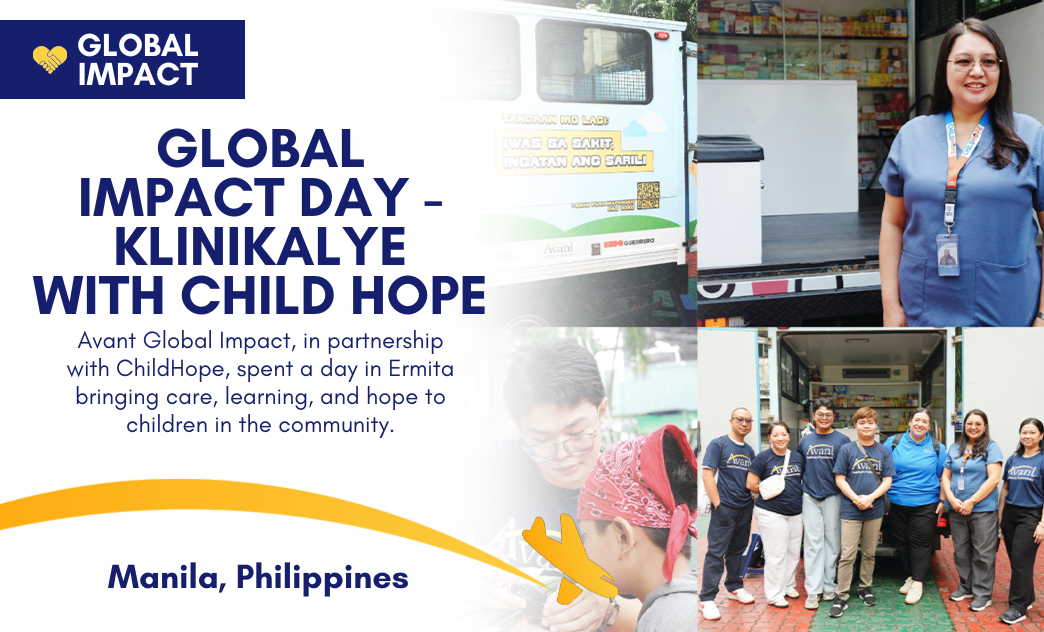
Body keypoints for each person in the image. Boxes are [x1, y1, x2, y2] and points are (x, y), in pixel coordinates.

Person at [879, 17, 1044, 327]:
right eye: (964, 61)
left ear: (1000, 69)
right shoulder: (912, 135)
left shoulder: (1031, 136)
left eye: (988, 62)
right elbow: (892, 222)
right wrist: (890, 305)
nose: (977, 71)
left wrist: (1043, 315)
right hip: (924, 308)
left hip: (1007, 309)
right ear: (945, 67)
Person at [475, 339, 641, 632]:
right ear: (520, 429)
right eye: (540, 440)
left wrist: (608, 609)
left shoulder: (640, 491)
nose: (562, 454)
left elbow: (671, 610)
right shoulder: (488, 470)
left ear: (602, 413)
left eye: (577, 434)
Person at [577, 424, 700, 632]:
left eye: (585, 536)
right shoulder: (687, 603)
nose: (583, 551)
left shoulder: (665, 622)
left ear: (623, 537)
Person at [830, 407, 895, 618]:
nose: (866, 425)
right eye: (861, 422)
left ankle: (865, 588)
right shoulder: (847, 449)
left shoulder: (883, 451)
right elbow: (839, 478)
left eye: (870, 422)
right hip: (851, 509)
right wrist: (857, 499)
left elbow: (887, 480)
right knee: (847, 555)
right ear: (855, 425)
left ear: (876, 425)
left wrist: (870, 498)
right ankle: (841, 596)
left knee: (869, 552)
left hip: (874, 509)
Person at [941, 409, 1003, 612]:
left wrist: (972, 501)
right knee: (961, 551)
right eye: (969, 423)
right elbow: (947, 476)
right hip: (957, 509)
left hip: (982, 510)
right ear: (963, 426)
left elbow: (994, 478)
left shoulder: (991, 448)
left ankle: (982, 594)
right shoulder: (955, 448)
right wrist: (951, 499)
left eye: (978, 424)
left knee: (983, 554)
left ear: (985, 426)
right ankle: (966, 586)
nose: (973, 427)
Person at [699, 407, 757, 620]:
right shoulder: (719, 444)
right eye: (740, 419)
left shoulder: (750, 451)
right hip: (725, 508)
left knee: (737, 550)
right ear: (731, 421)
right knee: (716, 552)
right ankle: (706, 599)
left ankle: (734, 587)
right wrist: (718, 504)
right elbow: (707, 476)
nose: (744, 423)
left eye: (748, 421)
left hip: (744, 508)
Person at [885, 408, 947, 605]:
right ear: (909, 422)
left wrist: (943, 501)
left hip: (926, 503)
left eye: (925, 421)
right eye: (917, 420)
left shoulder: (937, 447)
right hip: (896, 502)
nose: (920, 424)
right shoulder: (893, 442)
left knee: (920, 543)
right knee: (902, 542)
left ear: (929, 425)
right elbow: (883, 470)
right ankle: (911, 576)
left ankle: (918, 584)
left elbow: (943, 476)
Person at [747, 421, 805, 608]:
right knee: (776, 554)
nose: (780, 438)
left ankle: (788, 586)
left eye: (783, 434)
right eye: (775, 435)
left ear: (789, 436)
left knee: (793, 553)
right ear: (769, 438)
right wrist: (770, 491)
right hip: (771, 512)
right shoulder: (763, 458)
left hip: (796, 512)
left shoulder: (797, 457)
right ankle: (774, 594)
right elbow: (751, 484)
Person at [799, 398, 850, 610]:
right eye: (820, 414)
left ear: (833, 417)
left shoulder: (843, 440)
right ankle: (813, 590)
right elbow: (800, 468)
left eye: (828, 414)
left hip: (833, 496)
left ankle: (829, 586)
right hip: (809, 496)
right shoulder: (805, 441)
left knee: (832, 543)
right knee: (812, 544)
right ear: (814, 417)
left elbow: (848, 471)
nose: (824, 418)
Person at [997, 418, 1044, 624]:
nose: (1028, 436)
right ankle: (1028, 597)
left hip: (1031, 515)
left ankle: (1017, 608)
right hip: (1010, 515)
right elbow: (1005, 489)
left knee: (1020, 561)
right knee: (1019, 561)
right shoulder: (1014, 459)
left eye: (1032, 432)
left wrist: (1042, 524)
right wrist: (1001, 517)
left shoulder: (1042, 459)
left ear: (1041, 435)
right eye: (1024, 432)